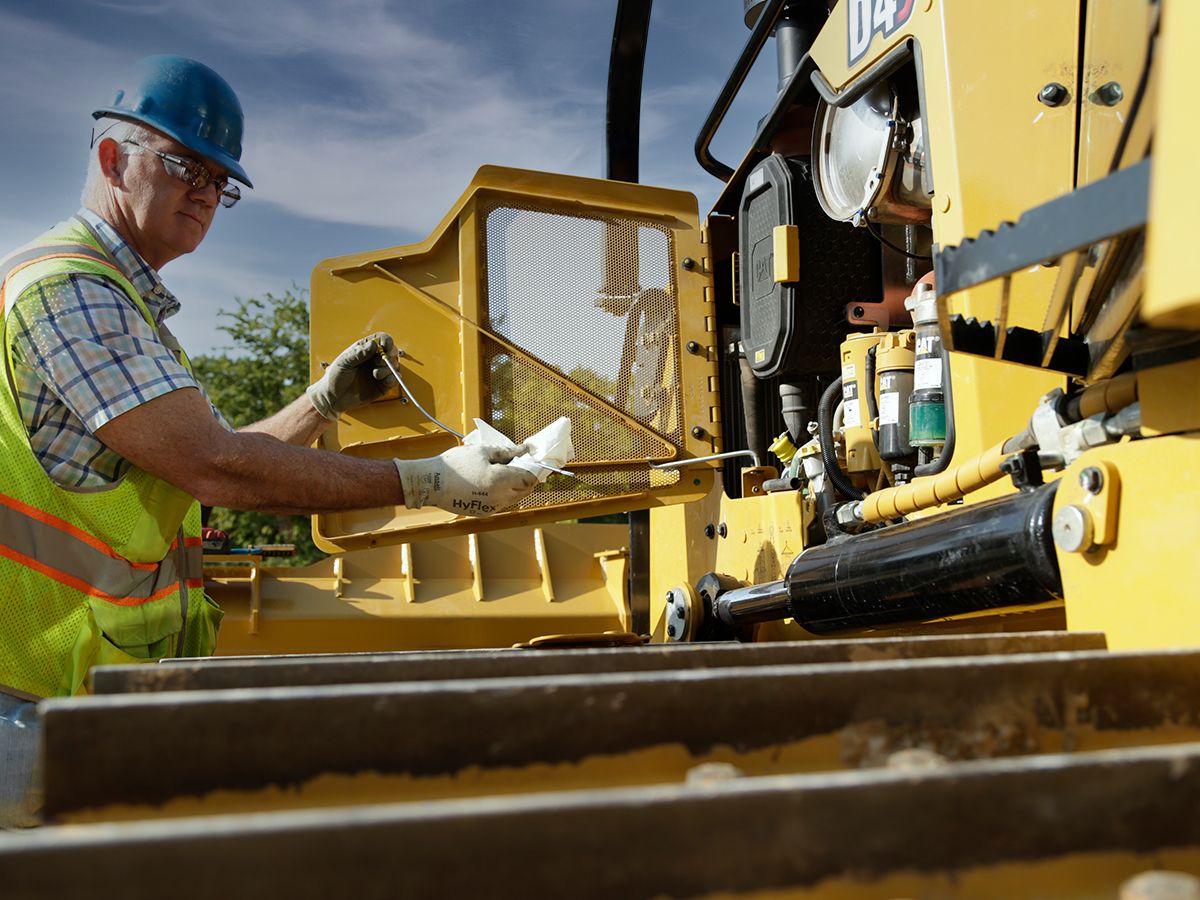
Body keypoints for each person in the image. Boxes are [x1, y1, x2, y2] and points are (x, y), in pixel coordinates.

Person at [0, 56, 537, 824]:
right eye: (187, 165)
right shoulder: (73, 289)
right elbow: (215, 467)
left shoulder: (118, 302)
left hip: (61, 690)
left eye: (222, 182)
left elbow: (189, 459)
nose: (205, 193)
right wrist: (429, 481)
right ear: (113, 159)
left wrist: (320, 404)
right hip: (26, 699)